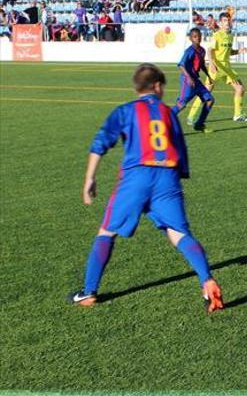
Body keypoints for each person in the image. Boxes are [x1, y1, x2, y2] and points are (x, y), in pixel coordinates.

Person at [66, 63, 224, 313]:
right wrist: (176, 179)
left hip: (136, 178)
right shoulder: (168, 113)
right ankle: (207, 280)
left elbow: (100, 143)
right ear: (158, 86)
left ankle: (87, 293)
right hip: (167, 177)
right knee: (178, 233)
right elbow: (180, 149)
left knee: (107, 232)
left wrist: (90, 178)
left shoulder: (126, 111)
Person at [188, 12, 247, 124]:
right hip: (216, 68)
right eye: (225, 21)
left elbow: (228, 52)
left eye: (229, 20)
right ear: (220, 23)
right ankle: (191, 117)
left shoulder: (230, 36)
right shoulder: (217, 35)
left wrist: (238, 51)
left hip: (227, 68)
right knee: (205, 93)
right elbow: (210, 50)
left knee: (240, 89)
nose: (227, 23)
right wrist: (211, 64)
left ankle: (237, 115)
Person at [174, 28, 215, 131]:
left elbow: (201, 65)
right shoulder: (189, 51)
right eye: (195, 37)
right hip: (187, 81)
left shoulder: (202, 50)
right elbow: (181, 65)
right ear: (191, 38)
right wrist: (189, 78)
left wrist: (209, 76)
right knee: (182, 105)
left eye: (199, 36)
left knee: (209, 100)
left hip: (196, 80)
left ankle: (199, 124)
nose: (198, 38)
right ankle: (163, 121)